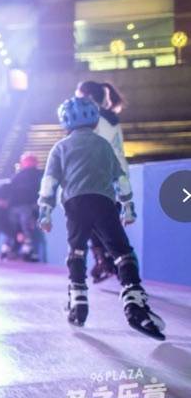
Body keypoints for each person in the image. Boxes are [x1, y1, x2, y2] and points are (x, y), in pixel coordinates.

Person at [37, 97, 165, 340]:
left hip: (74, 204)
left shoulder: (60, 148)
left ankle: (78, 300)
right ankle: (134, 303)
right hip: (103, 202)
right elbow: (121, 179)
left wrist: (45, 211)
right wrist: (128, 207)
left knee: (76, 251)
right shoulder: (104, 145)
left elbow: (49, 182)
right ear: (95, 122)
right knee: (121, 252)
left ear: (65, 124)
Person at [76, 81, 129, 282]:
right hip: (116, 174)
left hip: (97, 175)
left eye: (78, 94)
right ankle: (112, 261)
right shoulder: (112, 117)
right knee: (107, 222)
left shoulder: (91, 118)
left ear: (87, 96)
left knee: (91, 222)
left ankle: (105, 261)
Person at [8, 152, 43, 262]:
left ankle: (10, 249)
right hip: (28, 206)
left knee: (15, 229)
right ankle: (27, 251)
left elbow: (10, 190)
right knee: (27, 229)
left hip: (13, 207)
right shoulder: (38, 175)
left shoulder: (16, 176)